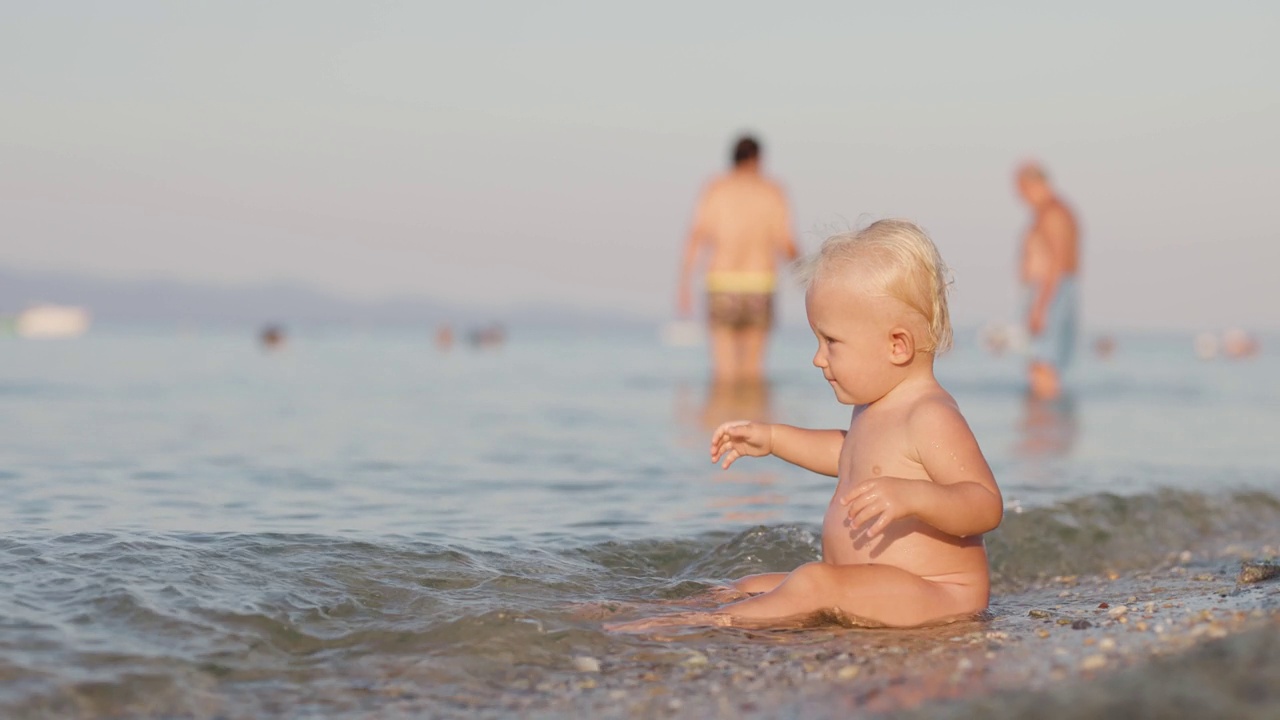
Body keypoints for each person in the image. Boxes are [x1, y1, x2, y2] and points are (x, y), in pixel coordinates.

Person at [614, 220, 1003, 631]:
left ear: (897, 345)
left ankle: (698, 624)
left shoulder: (930, 414)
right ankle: (653, 607)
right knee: (754, 584)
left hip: (938, 592)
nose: (818, 358)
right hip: (875, 583)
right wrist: (773, 438)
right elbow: (847, 454)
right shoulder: (877, 408)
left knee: (813, 582)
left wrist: (914, 496)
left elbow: (984, 504)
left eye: (831, 342)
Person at [677, 135, 800, 383]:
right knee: (753, 371)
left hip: (721, 282)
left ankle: (723, 420)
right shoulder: (772, 191)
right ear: (758, 159)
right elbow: (785, 241)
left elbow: (697, 235)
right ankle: (754, 419)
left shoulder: (716, 189)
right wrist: (808, 273)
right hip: (760, 282)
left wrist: (684, 284)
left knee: (723, 372)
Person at [1016, 163, 1080, 400]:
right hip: (1053, 289)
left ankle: (1041, 431)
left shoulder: (1053, 214)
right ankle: (1046, 428)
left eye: (1022, 189)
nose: (1020, 196)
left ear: (1033, 185)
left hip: (1050, 290)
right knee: (1044, 361)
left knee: (1043, 363)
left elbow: (1057, 264)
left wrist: (1040, 307)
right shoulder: (1052, 212)